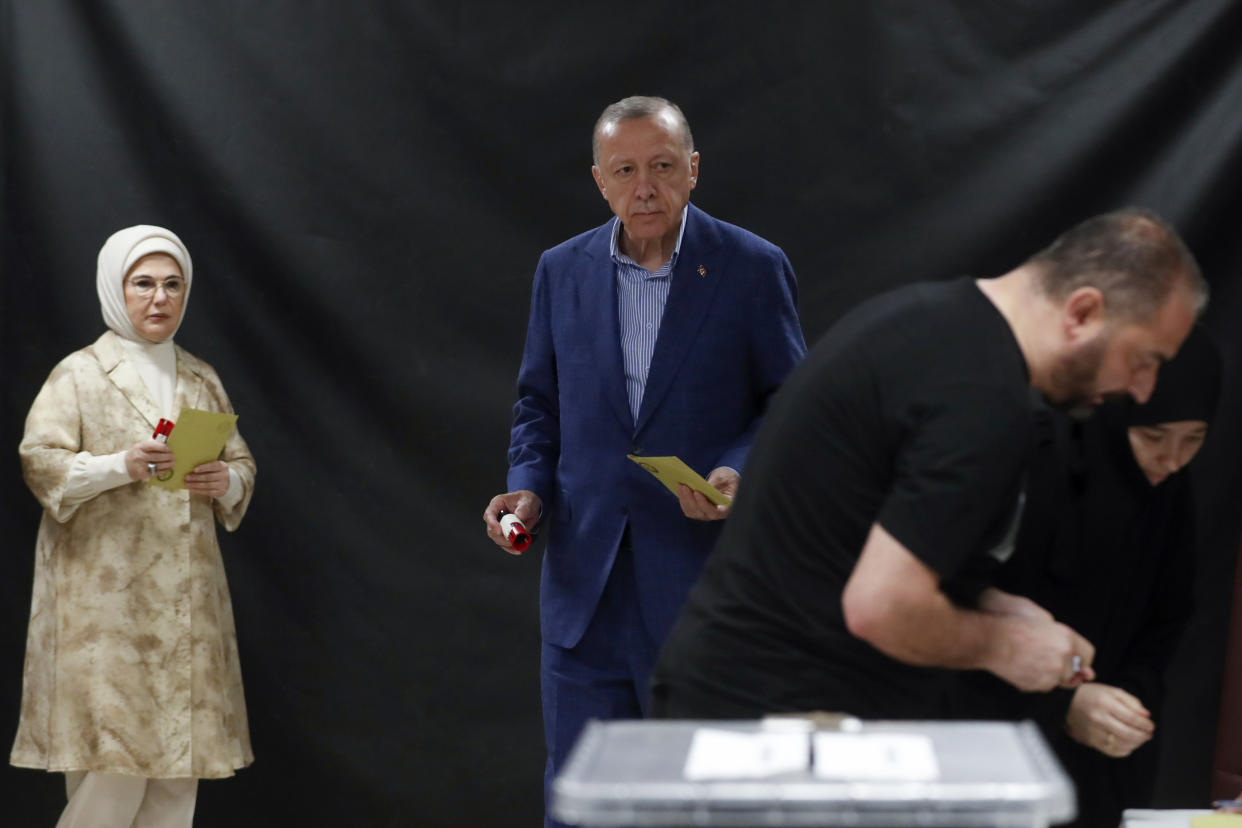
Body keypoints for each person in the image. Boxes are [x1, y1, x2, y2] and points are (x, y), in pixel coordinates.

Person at [650, 208, 1206, 721]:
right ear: (1083, 311)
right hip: (781, 730)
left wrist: (996, 606)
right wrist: (1008, 648)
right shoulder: (983, 398)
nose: (1143, 388)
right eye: (1144, 359)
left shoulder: (929, 325)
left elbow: (848, 535)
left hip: (739, 701)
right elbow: (882, 606)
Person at [481, 95, 806, 823]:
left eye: (662, 167)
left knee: (706, 802)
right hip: (584, 592)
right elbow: (539, 405)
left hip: (702, 582)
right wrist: (526, 489)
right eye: (625, 170)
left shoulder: (751, 267)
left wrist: (737, 469)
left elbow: (792, 403)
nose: (645, 188)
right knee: (582, 802)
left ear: (693, 170)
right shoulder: (560, 271)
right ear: (599, 180)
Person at [11, 225, 256, 828]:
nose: (159, 298)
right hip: (104, 611)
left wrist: (225, 483)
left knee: (177, 779)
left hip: (187, 610)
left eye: (173, 285)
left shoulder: (200, 377)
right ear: (116, 288)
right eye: (143, 283)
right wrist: (121, 465)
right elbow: (41, 463)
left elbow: (240, 461)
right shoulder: (80, 374)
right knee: (111, 775)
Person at [953, 325, 1221, 828]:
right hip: (995, 743)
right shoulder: (1029, 463)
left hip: (1107, 752)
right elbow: (955, 621)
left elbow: (1167, 615)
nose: (1172, 459)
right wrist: (1063, 704)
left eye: (1195, 439)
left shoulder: (1168, 487)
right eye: (1154, 435)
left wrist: (1128, 701)